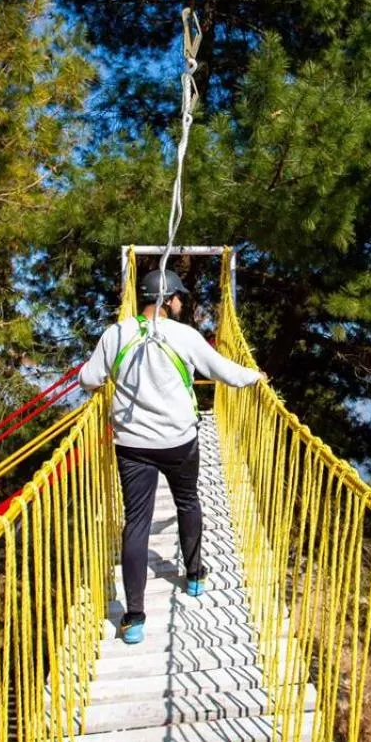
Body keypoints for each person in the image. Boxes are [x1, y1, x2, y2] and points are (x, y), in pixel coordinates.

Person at [79, 267, 263, 644]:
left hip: (132, 445)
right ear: (169, 300)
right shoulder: (185, 335)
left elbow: (88, 379)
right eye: (179, 297)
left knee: (137, 523)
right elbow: (223, 371)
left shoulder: (115, 335)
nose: (181, 303)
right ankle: (194, 576)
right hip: (179, 441)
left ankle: (134, 618)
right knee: (187, 501)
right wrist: (255, 377)